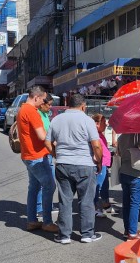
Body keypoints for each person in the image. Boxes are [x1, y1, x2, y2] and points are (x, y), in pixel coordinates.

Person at [46, 93, 103, 244]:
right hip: (85, 164)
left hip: (63, 164)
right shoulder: (87, 120)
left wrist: (56, 155)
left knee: (65, 200)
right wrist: (99, 161)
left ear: (67, 104)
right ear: (83, 105)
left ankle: (64, 235)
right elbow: (96, 144)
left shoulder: (56, 119)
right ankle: (87, 234)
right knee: (86, 200)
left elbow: (48, 142)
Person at [16, 86, 58, 234]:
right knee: (49, 186)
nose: (42, 103)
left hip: (28, 155)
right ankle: (47, 221)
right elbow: (42, 136)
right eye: (42, 99)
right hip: (36, 156)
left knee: (33, 188)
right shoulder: (31, 111)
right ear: (36, 97)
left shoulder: (22, 109)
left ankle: (32, 221)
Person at [34, 94, 55, 219]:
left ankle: (48, 205)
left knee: (48, 182)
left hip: (48, 152)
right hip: (42, 153)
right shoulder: (38, 115)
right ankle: (40, 208)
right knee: (44, 183)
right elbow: (43, 136)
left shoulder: (46, 114)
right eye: (49, 104)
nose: (51, 107)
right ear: (42, 104)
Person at [91, 114, 113, 218]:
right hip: (100, 164)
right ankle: (94, 208)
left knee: (104, 186)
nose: (106, 124)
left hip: (104, 164)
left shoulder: (100, 134)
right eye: (104, 122)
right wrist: (99, 163)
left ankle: (105, 204)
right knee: (97, 187)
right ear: (97, 124)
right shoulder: (94, 135)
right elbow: (97, 149)